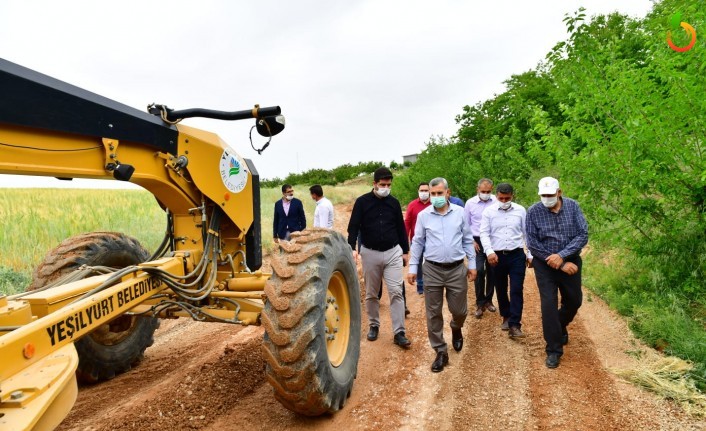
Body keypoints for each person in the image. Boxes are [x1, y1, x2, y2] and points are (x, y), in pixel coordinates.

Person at [407, 177, 477, 372]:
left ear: (448, 193)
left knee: (460, 310)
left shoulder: (460, 213)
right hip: (432, 269)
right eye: (432, 194)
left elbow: (467, 239)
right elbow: (418, 242)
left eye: (439, 193)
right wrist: (413, 268)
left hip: (456, 269)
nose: (436, 197)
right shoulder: (424, 216)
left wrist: (472, 264)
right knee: (433, 313)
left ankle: (456, 327)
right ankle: (440, 351)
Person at [526, 177, 588, 369]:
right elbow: (533, 243)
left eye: (550, 195)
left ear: (559, 192)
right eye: (543, 195)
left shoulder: (573, 207)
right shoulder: (533, 212)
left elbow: (582, 234)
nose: (547, 198)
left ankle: (559, 325)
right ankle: (553, 349)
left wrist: (562, 257)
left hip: (570, 260)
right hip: (544, 264)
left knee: (574, 300)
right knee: (548, 304)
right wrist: (557, 263)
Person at [347, 167, 411, 348]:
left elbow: (400, 227)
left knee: (396, 292)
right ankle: (374, 325)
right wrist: (352, 247)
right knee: (372, 293)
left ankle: (399, 332)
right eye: (382, 184)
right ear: (374, 184)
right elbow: (353, 226)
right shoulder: (362, 202)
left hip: (392, 252)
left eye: (389, 185)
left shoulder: (394, 203)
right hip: (370, 253)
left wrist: (405, 251)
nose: (386, 188)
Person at [479, 183, 532, 338]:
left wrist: (530, 254)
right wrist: (489, 252)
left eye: (507, 198)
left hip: (516, 255)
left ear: (512, 196)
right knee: (501, 288)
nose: (504, 201)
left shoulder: (520, 210)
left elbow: (527, 233)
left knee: (516, 289)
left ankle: (515, 324)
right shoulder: (489, 212)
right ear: (496, 196)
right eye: (501, 198)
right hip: (497, 256)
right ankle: (506, 316)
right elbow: (484, 233)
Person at [464, 178, 497, 319]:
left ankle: (489, 300)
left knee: (492, 270)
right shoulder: (470, 203)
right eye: (483, 191)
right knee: (479, 270)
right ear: (477, 189)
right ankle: (479, 302)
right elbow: (465, 224)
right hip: (476, 241)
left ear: (492, 189)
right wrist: (471, 241)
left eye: (488, 191)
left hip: (492, 240)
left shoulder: (496, 201)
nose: (486, 194)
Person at [404, 182, 431, 294]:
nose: (424, 193)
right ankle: (420, 286)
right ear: (418, 191)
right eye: (422, 190)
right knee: (418, 262)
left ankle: (431, 285)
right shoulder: (412, 205)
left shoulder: (433, 204)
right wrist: (404, 239)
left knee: (430, 263)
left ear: (430, 191)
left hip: (431, 239)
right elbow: (407, 222)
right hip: (416, 239)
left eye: (426, 190)